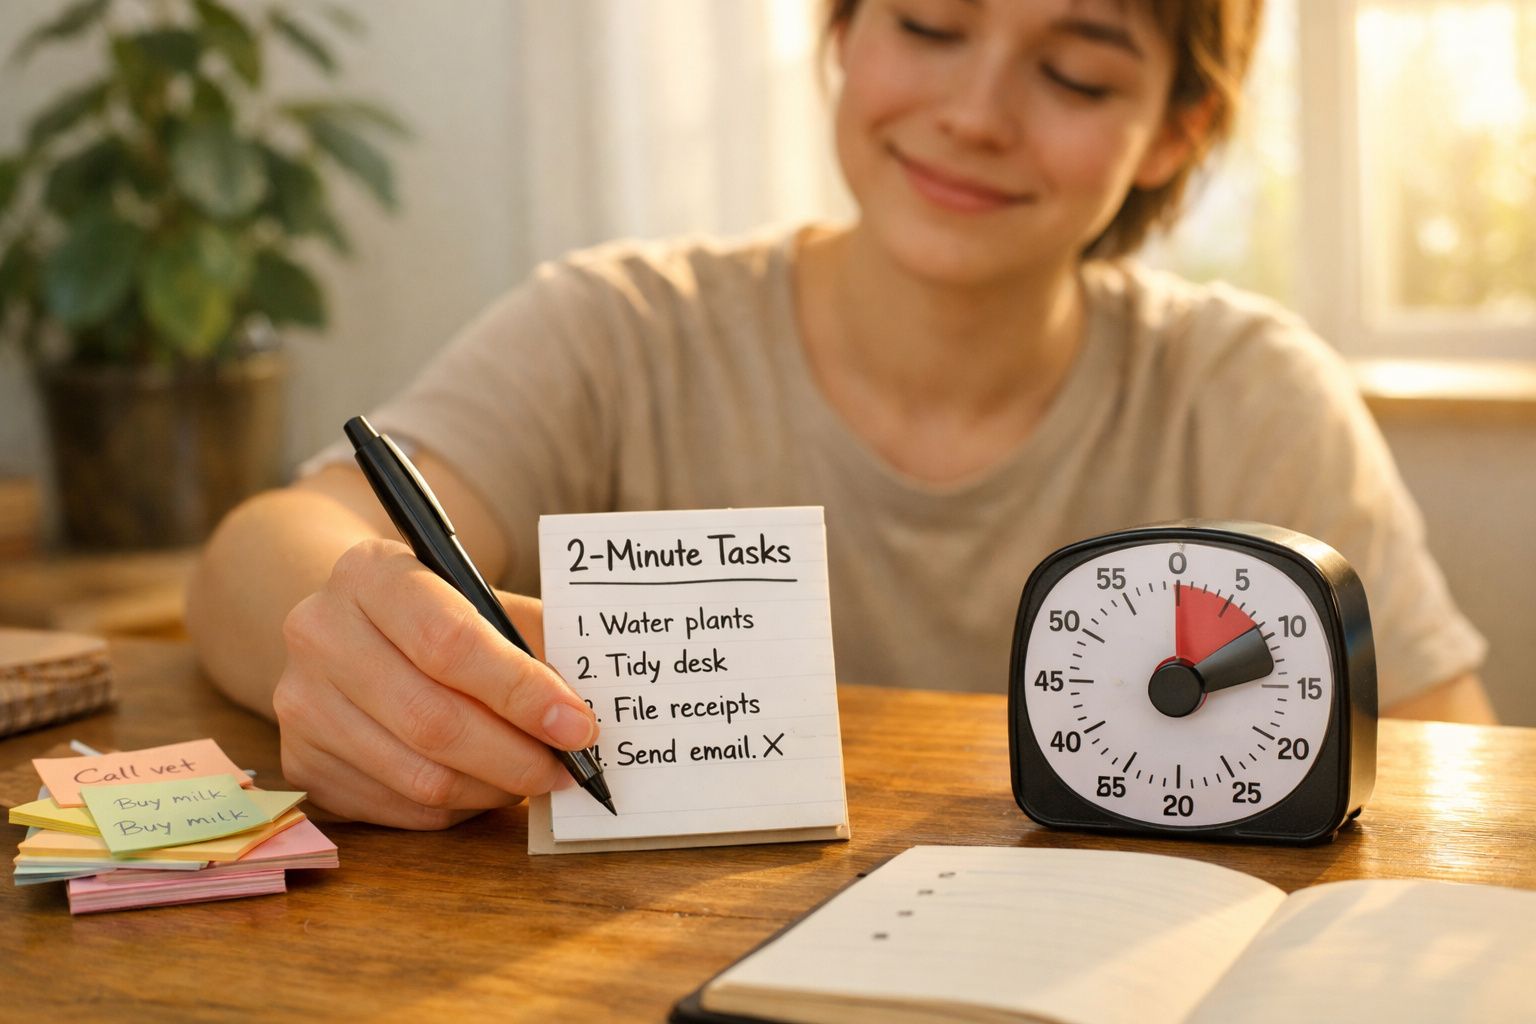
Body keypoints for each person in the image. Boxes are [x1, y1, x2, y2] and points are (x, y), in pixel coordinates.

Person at [187, 0, 1495, 830]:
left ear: (1173, 133)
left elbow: (1453, 774)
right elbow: (271, 549)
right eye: (929, 25)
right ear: (841, 32)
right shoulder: (618, 328)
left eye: (1079, 75)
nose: (975, 114)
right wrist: (351, 642)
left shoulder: (1251, 391)